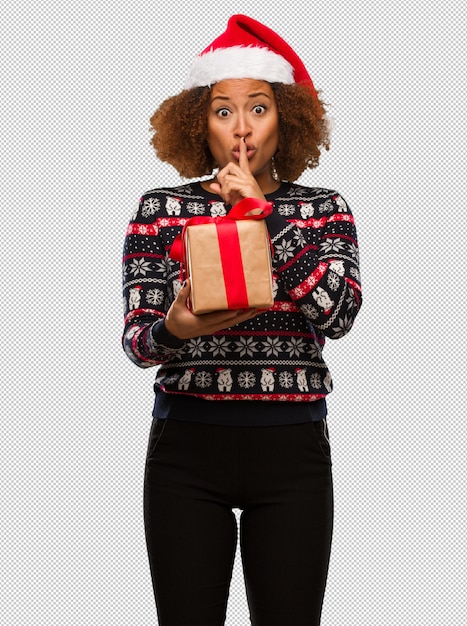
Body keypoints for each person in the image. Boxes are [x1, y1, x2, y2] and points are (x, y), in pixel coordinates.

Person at [122, 14, 362, 626]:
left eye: (258, 107)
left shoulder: (322, 209)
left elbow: (338, 313)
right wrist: (177, 328)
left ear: (286, 116)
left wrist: (263, 215)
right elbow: (138, 341)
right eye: (223, 111)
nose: (242, 128)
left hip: (292, 452)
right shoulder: (163, 209)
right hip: (185, 451)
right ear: (199, 122)